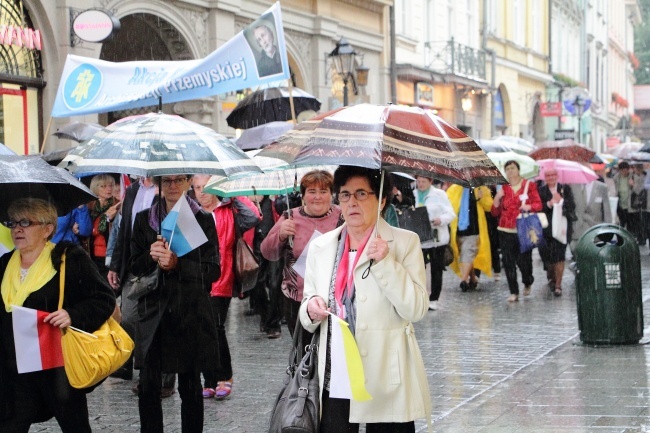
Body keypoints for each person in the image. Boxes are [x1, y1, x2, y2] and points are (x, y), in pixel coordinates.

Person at [299, 166, 431, 433]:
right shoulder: (321, 247)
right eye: (345, 195)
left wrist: (386, 263)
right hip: (335, 371)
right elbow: (307, 301)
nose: (352, 202)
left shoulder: (404, 243)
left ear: (381, 199)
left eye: (361, 193)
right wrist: (311, 310)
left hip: (386, 371)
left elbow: (416, 308)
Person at [0, 198, 115, 432]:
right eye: (12, 223)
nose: (17, 229)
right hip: (14, 370)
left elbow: (104, 299)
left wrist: (72, 315)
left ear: (47, 229)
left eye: (25, 222)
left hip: (57, 368)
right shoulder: (4, 264)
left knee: (75, 427)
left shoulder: (67, 258)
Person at [129, 175, 220, 433]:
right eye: (166, 180)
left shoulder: (202, 219)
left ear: (189, 181)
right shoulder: (144, 219)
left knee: (190, 384)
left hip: (188, 311)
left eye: (179, 179)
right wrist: (151, 256)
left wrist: (176, 264)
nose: (172, 186)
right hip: (153, 312)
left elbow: (212, 271)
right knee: (148, 384)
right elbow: (133, 265)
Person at [190, 174, 260, 401]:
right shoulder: (191, 212)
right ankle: (208, 380)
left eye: (206, 187)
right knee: (201, 329)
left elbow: (254, 216)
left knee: (216, 327)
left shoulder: (228, 209)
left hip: (222, 277)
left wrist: (231, 192)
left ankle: (224, 376)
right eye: (197, 187)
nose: (201, 192)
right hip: (196, 279)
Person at [261, 170, 342, 348]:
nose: (317, 197)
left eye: (323, 191)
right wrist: (280, 235)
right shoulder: (289, 217)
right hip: (296, 298)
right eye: (312, 192)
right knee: (303, 350)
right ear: (303, 196)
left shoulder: (342, 217)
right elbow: (268, 252)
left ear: (332, 194)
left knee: (331, 351)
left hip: (333, 299)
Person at [491, 160, 542, 302]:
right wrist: (497, 198)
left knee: (524, 261)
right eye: (507, 169)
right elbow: (494, 212)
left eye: (512, 168)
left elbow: (538, 204)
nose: (510, 171)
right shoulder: (503, 189)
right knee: (508, 262)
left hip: (523, 229)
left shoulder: (528, 186)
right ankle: (514, 291)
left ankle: (528, 280)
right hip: (505, 229)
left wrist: (529, 206)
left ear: (518, 170)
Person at [413, 176, 455, 310]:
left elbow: (451, 214)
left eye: (423, 182)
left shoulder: (439, 194)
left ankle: (434, 298)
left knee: (436, 269)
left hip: (437, 238)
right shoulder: (412, 194)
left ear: (430, 182)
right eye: (418, 181)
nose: (420, 184)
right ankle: (420, 296)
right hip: (419, 238)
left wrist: (440, 219)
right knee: (418, 269)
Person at [537, 169, 576, 297]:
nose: (551, 177)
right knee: (548, 256)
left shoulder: (565, 189)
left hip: (562, 228)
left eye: (553, 175)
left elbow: (572, 206)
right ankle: (552, 277)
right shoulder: (541, 191)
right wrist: (549, 204)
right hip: (546, 229)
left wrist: (561, 202)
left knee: (559, 255)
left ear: (557, 176)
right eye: (548, 175)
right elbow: (537, 207)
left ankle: (558, 284)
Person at [446, 185, 493, 292]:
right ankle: (472, 278)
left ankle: (463, 280)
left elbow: (490, 206)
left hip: (474, 230)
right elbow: (447, 206)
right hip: (457, 231)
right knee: (465, 255)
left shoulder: (481, 188)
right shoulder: (453, 189)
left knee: (467, 254)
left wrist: (482, 198)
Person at [87, 174, 120, 281]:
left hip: (109, 255)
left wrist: (110, 220)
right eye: (103, 186)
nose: (109, 189)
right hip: (92, 255)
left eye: (111, 185)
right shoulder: (90, 206)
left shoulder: (117, 206)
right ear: (95, 188)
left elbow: (119, 232)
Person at [570, 177, 612, 256]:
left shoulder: (601, 187)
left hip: (595, 230)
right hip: (577, 231)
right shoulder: (572, 187)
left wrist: (608, 231)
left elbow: (607, 211)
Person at [613, 161, 632, 230]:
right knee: (622, 222)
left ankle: (630, 238)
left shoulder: (631, 176)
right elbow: (614, 189)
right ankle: (620, 238)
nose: (625, 172)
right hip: (620, 204)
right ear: (620, 170)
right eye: (623, 171)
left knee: (630, 223)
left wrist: (632, 185)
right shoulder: (616, 178)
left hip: (630, 205)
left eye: (626, 170)